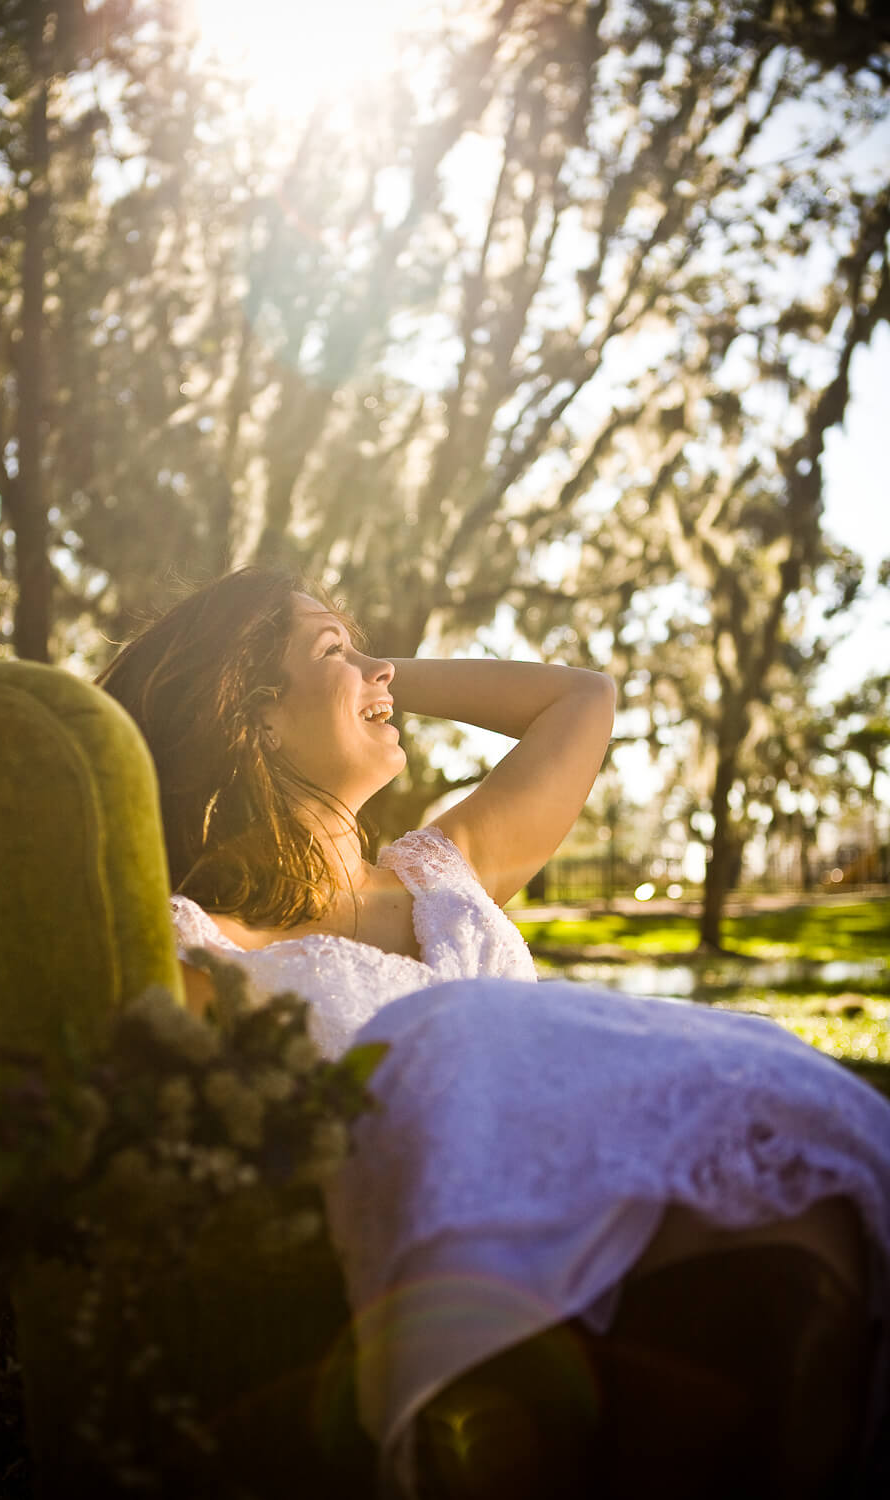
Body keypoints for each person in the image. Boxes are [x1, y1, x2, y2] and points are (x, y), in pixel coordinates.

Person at [98, 566, 890, 1500]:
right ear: (257, 715)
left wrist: (371, 669)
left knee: (801, 1220)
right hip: (469, 1282)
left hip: (620, 1207)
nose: (375, 673)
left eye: (363, 648)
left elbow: (580, 698)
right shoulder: (190, 942)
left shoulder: (441, 872)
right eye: (331, 651)